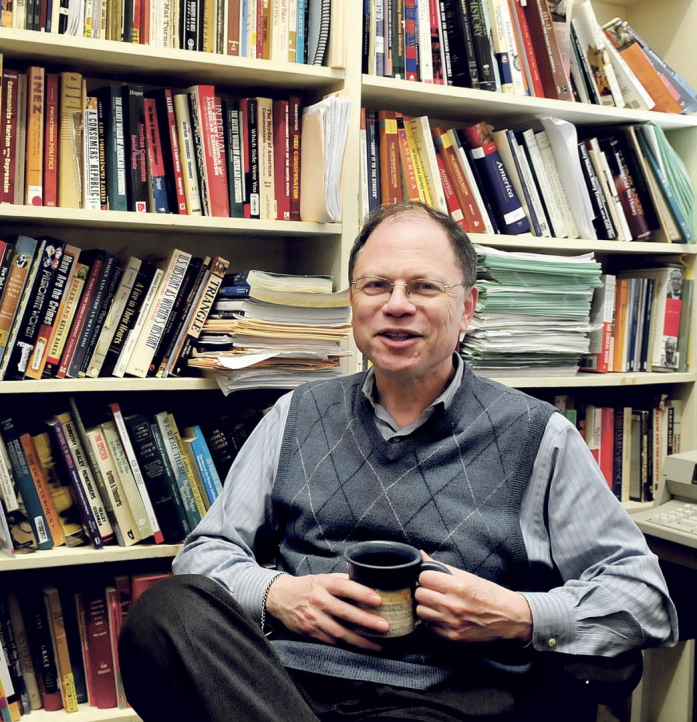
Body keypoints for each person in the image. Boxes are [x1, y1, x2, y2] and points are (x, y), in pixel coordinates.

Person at [118, 201, 678, 722]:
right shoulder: (295, 413)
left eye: (424, 286)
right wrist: (279, 595)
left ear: (468, 308)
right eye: (377, 285)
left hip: (439, 698)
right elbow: (205, 555)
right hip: (278, 687)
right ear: (354, 303)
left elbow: (644, 597)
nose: (397, 304)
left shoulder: (538, 435)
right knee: (166, 612)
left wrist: (519, 615)